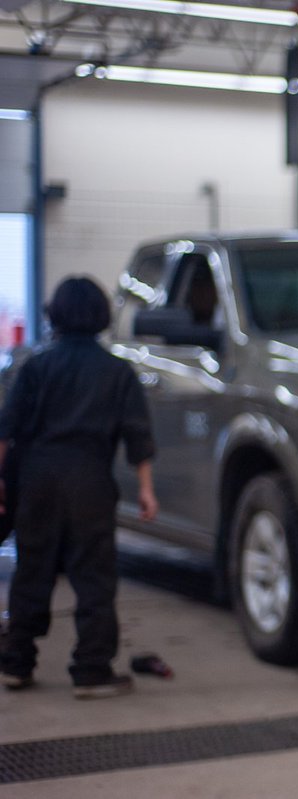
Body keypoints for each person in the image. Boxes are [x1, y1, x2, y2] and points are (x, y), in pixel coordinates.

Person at [0, 276, 158, 698]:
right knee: (94, 576)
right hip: (90, 480)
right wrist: (146, 489)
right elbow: (137, 434)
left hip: (38, 478)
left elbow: (7, 428)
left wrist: (0, 480)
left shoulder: (35, 365)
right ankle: (91, 670)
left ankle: (17, 662)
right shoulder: (118, 371)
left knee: (32, 571)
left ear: (56, 313)